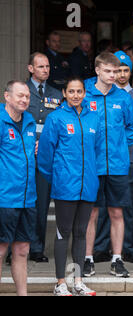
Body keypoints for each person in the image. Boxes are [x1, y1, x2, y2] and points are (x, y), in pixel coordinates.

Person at [37, 77, 99, 297]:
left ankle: (78, 281)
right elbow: (44, 156)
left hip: (88, 186)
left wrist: (93, 176)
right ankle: (60, 282)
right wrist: (58, 177)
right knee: (63, 233)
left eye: (79, 91)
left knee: (81, 233)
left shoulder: (93, 118)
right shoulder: (56, 118)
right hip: (65, 186)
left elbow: (98, 151)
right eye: (71, 91)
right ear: (64, 93)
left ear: (84, 93)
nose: (75, 95)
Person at [83, 52, 133, 278]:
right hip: (92, 165)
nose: (113, 75)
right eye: (108, 71)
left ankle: (117, 259)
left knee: (117, 212)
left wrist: (119, 144)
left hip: (117, 165)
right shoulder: (86, 93)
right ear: (98, 70)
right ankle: (87, 259)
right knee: (91, 213)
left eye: (116, 71)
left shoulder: (122, 97)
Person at [93, 51, 133, 265]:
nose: (121, 74)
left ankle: (128, 248)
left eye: (125, 70)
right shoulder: (99, 93)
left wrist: (123, 146)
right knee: (102, 207)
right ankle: (100, 248)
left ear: (130, 71)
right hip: (102, 159)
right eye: (117, 70)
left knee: (127, 206)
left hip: (128, 158)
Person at [0, 81, 37, 296]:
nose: (24, 100)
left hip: (27, 198)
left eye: (27, 97)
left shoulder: (30, 121)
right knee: (2, 249)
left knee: (22, 250)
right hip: (5, 198)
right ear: (7, 96)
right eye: (20, 96)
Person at [26, 52, 63, 263]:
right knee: (21, 204)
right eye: (41, 66)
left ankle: (37, 248)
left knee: (41, 206)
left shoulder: (57, 95)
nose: (45, 70)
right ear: (30, 68)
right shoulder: (22, 91)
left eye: (47, 66)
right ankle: (16, 248)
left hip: (46, 156)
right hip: (23, 156)